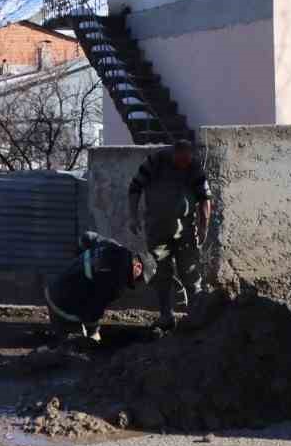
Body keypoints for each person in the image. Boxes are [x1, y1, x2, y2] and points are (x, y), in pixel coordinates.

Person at [128, 138, 211, 332]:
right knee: (162, 273)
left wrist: (204, 225)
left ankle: (196, 317)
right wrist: (132, 216)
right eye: (180, 161)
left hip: (185, 230)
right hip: (157, 229)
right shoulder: (155, 162)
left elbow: (205, 197)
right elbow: (135, 187)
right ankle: (166, 316)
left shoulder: (193, 166)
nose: (184, 165)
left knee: (190, 274)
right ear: (174, 154)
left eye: (186, 162)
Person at [43, 231, 145, 342]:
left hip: (53, 288)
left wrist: (77, 266)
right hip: (64, 308)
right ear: (138, 266)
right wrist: (94, 333)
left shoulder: (112, 245)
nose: (137, 282)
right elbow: (94, 310)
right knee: (74, 349)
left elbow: (87, 236)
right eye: (140, 278)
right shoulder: (117, 284)